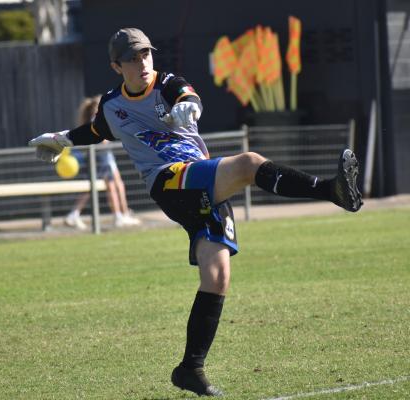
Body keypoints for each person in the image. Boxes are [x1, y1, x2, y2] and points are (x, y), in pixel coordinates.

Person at [29, 27, 363, 397]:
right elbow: (96, 131)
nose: (142, 63)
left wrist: (190, 105)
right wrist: (60, 139)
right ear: (116, 66)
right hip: (168, 181)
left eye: (145, 54)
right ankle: (330, 190)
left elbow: (186, 95)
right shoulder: (112, 104)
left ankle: (190, 368)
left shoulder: (167, 83)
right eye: (132, 58)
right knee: (248, 164)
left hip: (199, 179)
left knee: (217, 276)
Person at [64, 95, 141, 230]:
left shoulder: (99, 118)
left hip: (104, 157)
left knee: (116, 185)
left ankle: (122, 214)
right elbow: (101, 139)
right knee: (110, 187)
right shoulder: (96, 119)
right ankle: (118, 216)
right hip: (102, 158)